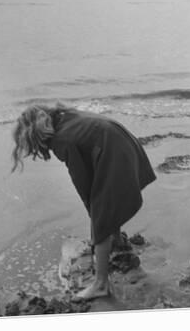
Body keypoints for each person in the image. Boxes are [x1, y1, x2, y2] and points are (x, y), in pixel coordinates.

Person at [11, 102, 157, 301]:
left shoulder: (62, 139)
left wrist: (96, 220)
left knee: (102, 213)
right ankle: (116, 240)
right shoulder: (64, 117)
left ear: (33, 135)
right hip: (123, 140)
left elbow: (82, 179)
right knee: (107, 202)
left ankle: (101, 284)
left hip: (114, 150)